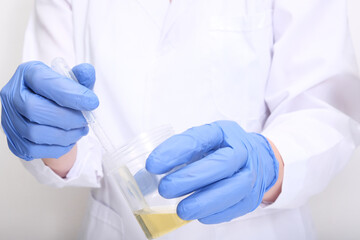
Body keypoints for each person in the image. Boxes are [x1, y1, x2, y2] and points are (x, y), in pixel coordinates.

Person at [1, 0, 359, 239]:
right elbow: (69, 135)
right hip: (123, 225)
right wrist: (47, 134)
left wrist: (270, 162)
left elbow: (325, 107)